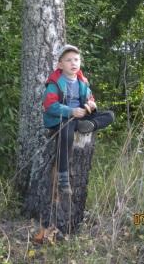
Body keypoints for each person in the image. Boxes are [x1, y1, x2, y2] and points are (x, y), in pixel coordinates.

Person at [42, 44, 114, 194]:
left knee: (109, 115)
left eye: (76, 59)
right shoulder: (55, 82)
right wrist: (71, 111)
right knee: (66, 134)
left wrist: (91, 104)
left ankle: (89, 125)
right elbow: (50, 105)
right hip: (62, 117)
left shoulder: (82, 81)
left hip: (81, 115)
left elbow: (89, 96)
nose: (73, 63)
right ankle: (62, 174)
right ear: (60, 65)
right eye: (68, 60)